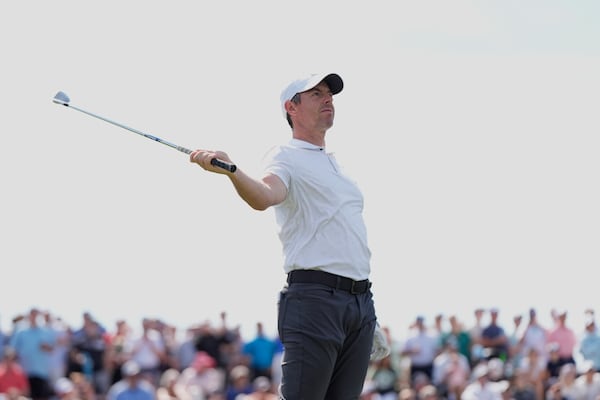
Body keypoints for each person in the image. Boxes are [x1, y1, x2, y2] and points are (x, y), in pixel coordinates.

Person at [189, 72, 384, 399]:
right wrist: (231, 171)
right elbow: (265, 196)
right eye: (317, 94)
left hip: (359, 304)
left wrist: (362, 309)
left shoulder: (337, 167)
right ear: (291, 108)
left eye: (330, 95)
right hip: (316, 300)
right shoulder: (285, 156)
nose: (328, 100)